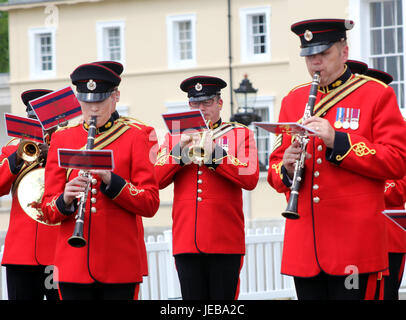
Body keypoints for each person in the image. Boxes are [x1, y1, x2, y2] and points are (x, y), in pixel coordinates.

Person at [267, 18, 406, 300]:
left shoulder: (375, 94)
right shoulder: (292, 100)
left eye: (323, 54)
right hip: (305, 247)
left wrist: (338, 141)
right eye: (309, 56)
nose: (315, 63)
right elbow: (273, 169)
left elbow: (396, 160)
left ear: (344, 51)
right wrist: (287, 166)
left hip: (355, 246)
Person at [41, 61, 160, 300]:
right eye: (86, 101)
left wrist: (112, 182)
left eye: (100, 101)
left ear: (116, 96)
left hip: (119, 263)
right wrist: (65, 198)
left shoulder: (138, 135)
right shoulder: (63, 138)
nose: (93, 109)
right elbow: (46, 210)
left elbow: (150, 202)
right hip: (73, 265)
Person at [155, 75, 259, 300]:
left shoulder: (239, 134)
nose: (201, 109)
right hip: (186, 241)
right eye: (195, 103)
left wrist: (216, 154)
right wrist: (179, 151)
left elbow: (249, 177)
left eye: (207, 103)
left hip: (225, 241)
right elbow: (156, 179)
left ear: (219, 103)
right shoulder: (174, 137)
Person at [0, 89, 60, 300]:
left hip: (56, 252)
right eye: (33, 120)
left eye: (44, 121)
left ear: (56, 122)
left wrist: (52, 155)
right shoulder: (11, 151)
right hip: (20, 252)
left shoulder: (65, 151)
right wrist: (16, 161)